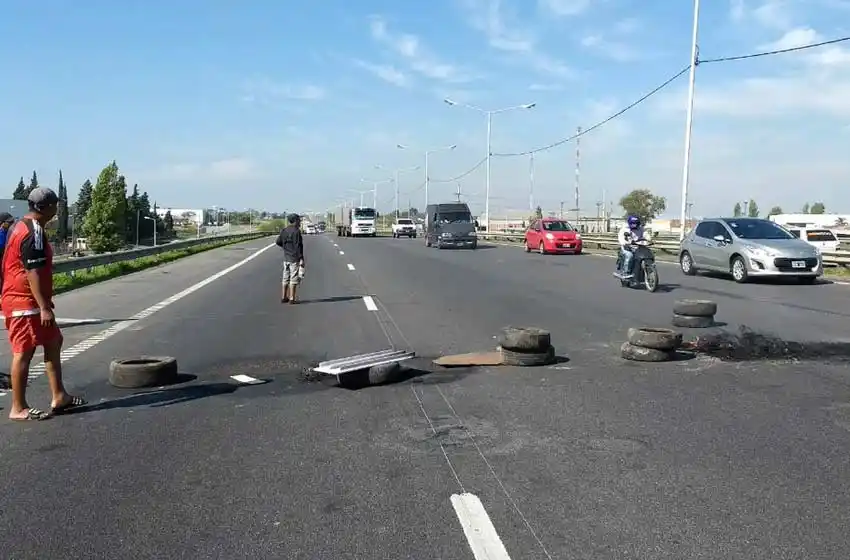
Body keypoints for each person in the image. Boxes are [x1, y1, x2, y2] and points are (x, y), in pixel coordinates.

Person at [2, 188, 86, 421]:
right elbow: (33, 271)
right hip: (24, 301)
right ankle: (18, 407)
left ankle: (59, 395)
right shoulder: (34, 231)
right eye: (55, 206)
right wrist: (44, 307)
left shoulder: (20, 225)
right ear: (46, 208)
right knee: (24, 352)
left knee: (53, 341)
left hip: (27, 298)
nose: (57, 210)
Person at [275, 213, 305, 304]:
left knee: (285, 278)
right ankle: (292, 298)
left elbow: (278, 241)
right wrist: (301, 259)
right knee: (293, 279)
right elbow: (298, 246)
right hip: (294, 258)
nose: (300, 222)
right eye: (299, 220)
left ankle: (284, 297)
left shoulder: (284, 230)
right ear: (295, 221)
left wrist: (285, 247)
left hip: (286, 258)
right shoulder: (296, 231)